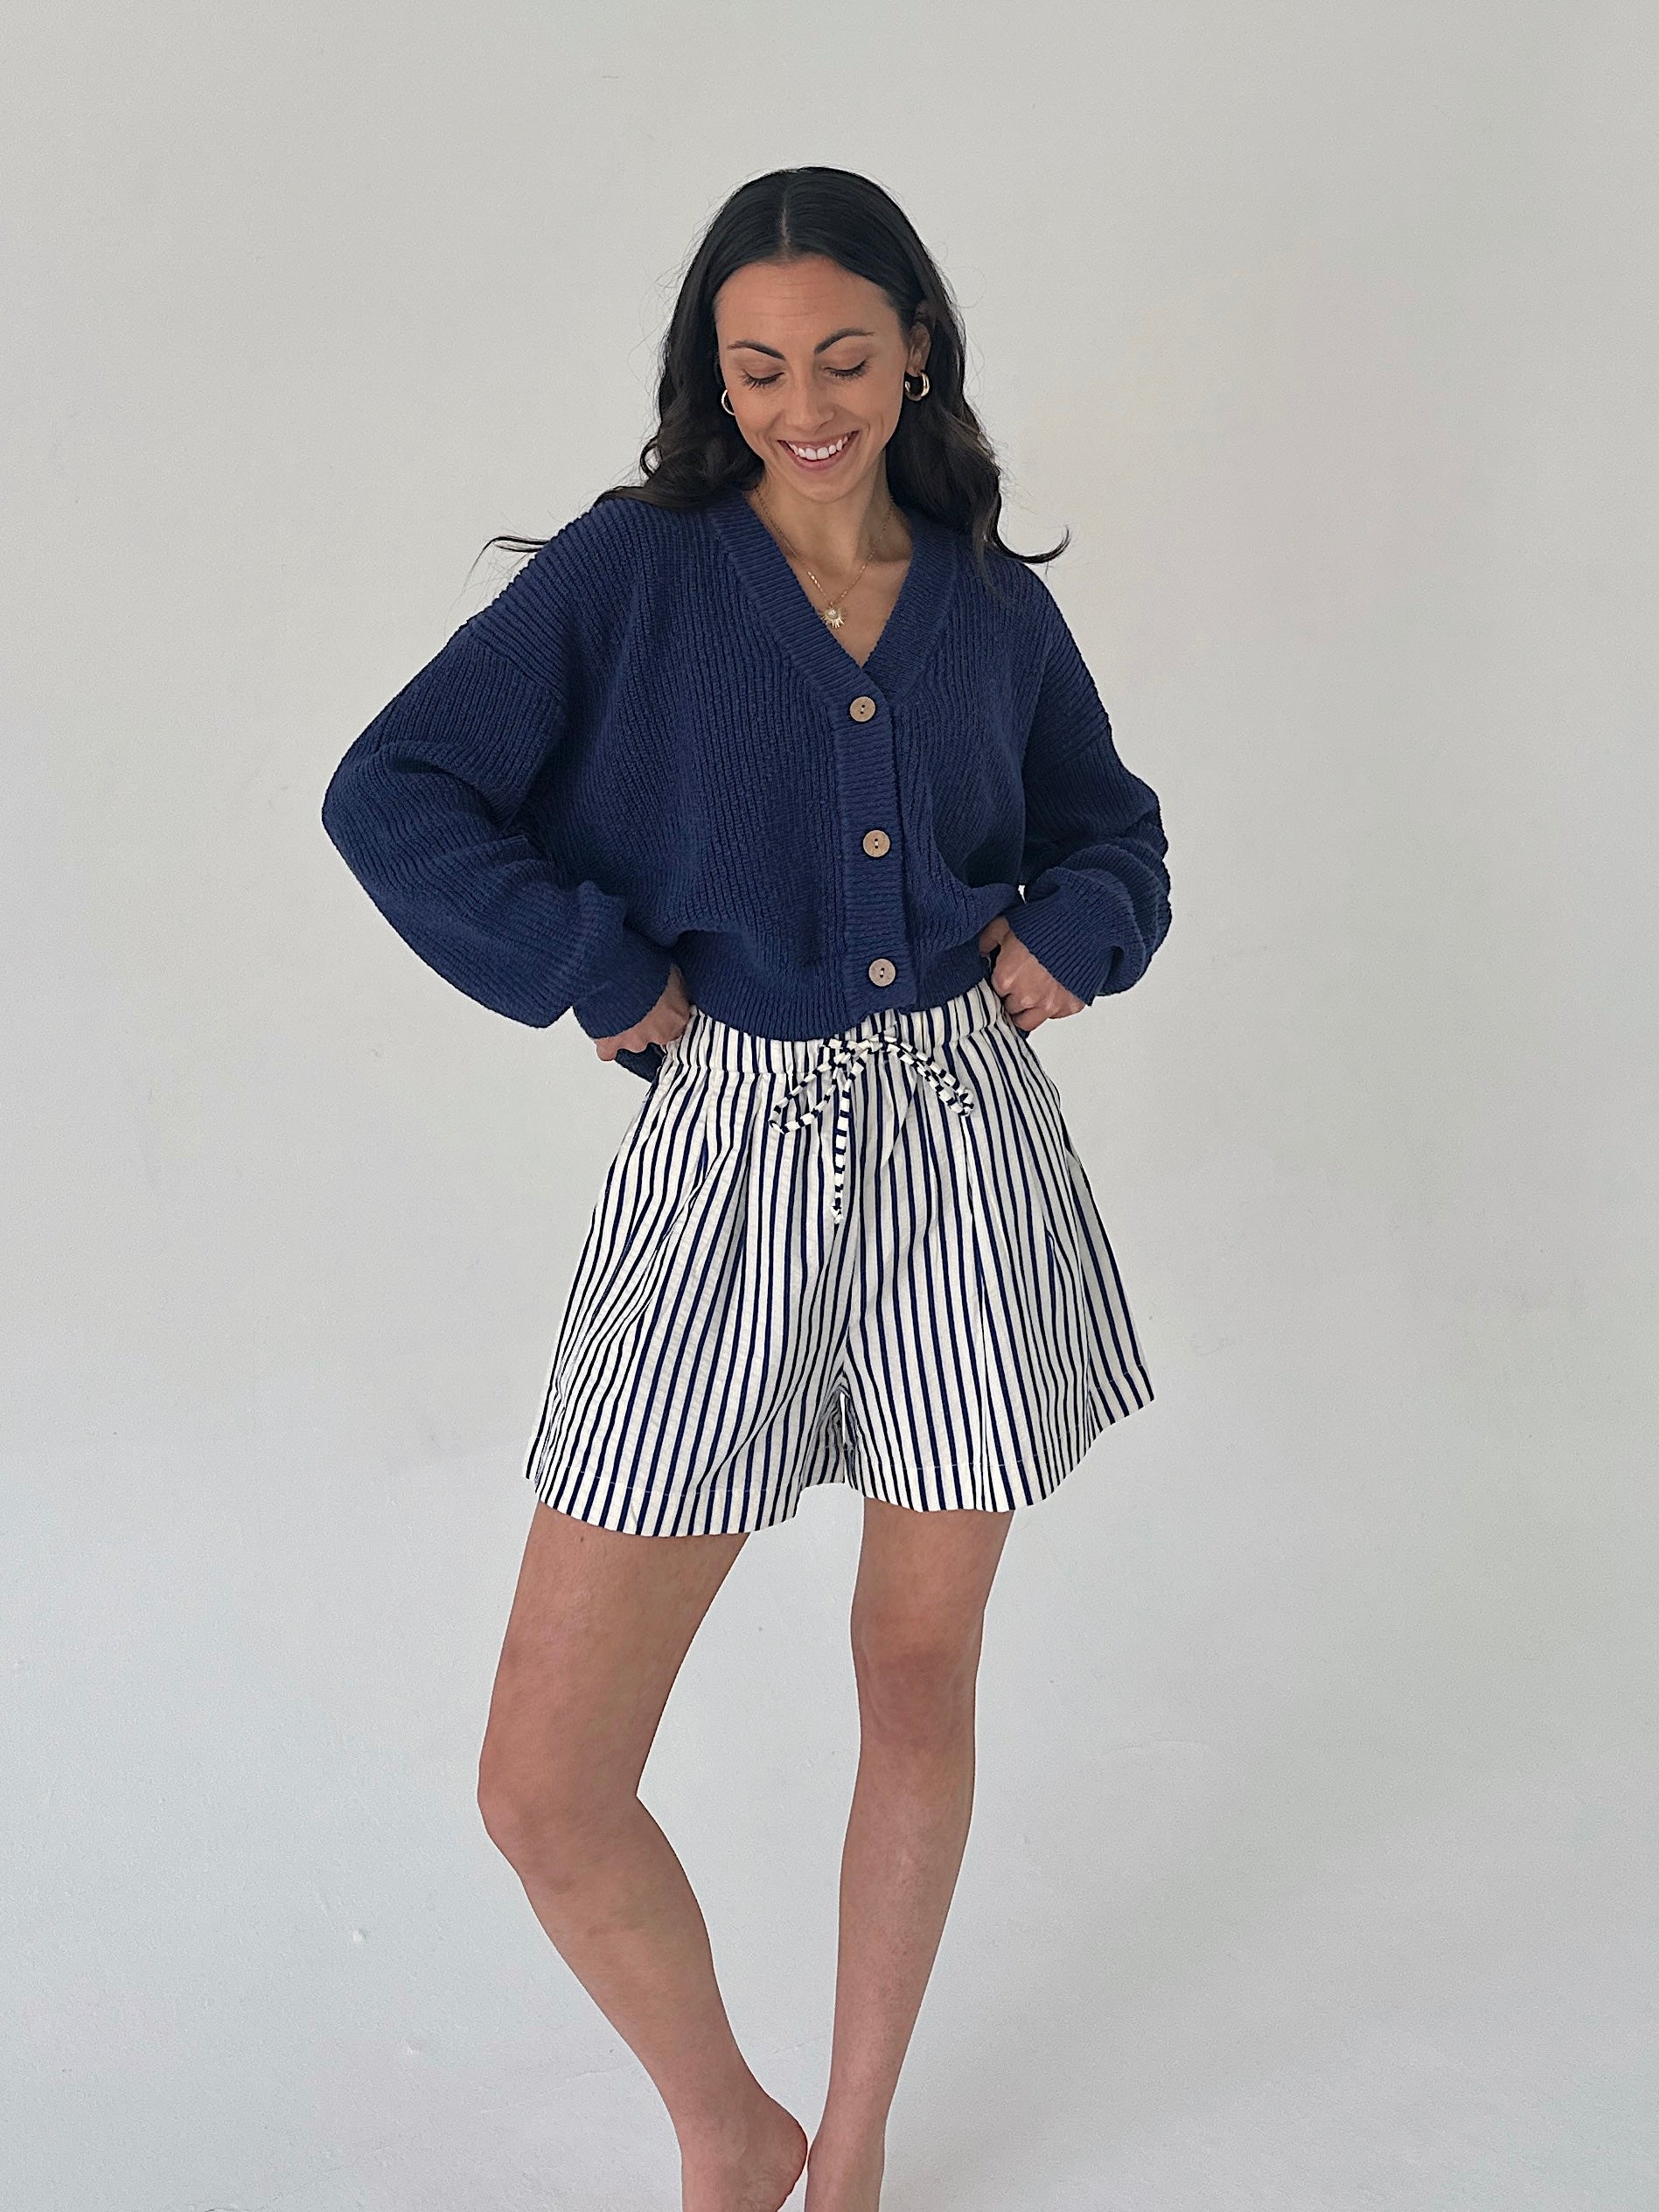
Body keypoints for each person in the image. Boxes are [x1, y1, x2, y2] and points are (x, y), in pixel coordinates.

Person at [321, 164, 1171, 2212]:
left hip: (966, 1151)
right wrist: (599, 967)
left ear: (916, 354)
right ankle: (731, 2119)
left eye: (846, 358)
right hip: (727, 1154)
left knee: (913, 1670)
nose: (805, 401)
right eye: (759, 362)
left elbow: (1112, 824)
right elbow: (393, 789)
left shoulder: (982, 594)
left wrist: (1083, 920)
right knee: (546, 1781)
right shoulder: (636, 572)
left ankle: (857, 2142)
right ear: (714, 370)